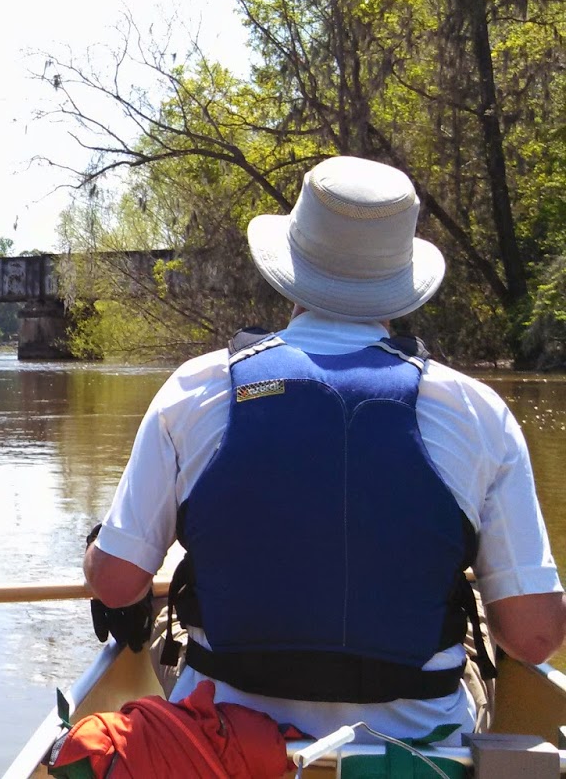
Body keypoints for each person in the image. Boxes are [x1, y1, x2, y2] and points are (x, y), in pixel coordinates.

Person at [83, 155, 566, 740]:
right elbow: (533, 637)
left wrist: (99, 552)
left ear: (290, 272)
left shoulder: (195, 388)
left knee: (161, 630)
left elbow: (117, 584)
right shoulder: (477, 410)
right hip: (422, 752)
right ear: (401, 285)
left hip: (226, 745)